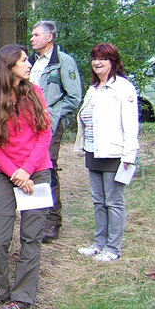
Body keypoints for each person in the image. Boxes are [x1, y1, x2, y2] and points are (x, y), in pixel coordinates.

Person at [0, 44, 52, 309]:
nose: (28, 64)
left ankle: (22, 296)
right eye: (23, 60)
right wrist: (15, 173)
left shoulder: (35, 93)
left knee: (31, 237)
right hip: (7, 175)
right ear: (8, 66)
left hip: (37, 172)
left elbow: (45, 135)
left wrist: (27, 171)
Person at [74, 43, 139, 262]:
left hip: (115, 154)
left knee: (114, 202)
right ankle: (99, 243)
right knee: (98, 201)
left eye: (103, 58)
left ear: (113, 62)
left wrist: (129, 155)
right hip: (93, 152)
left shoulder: (123, 87)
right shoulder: (93, 89)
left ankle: (113, 248)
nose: (97, 62)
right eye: (94, 58)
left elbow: (131, 125)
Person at [29, 20, 82, 242]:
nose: (32, 39)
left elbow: (74, 97)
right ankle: (34, 219)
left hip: (49, 125)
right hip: (28, 125)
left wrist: (52, 113)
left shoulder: (63, 62)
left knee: (47, 168)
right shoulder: (31, 62)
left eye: (36, 35)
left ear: (49, 37)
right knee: (30, 168)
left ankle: (52, 221)